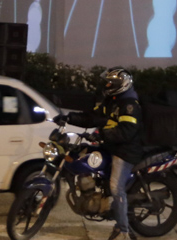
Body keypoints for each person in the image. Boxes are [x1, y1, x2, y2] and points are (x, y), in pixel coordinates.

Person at [68, 67, 144, 240]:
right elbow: (93, 117)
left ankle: (123, 231)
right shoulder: (112, 101)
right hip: (111, 146)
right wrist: (69, 118)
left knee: (116, 188)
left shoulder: (129, 104)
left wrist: (101, 134)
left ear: (122, 84)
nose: (108, 85)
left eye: (111, 83)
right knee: (86, 156)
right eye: (108, 82)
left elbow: (127, 131)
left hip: (125, 151)